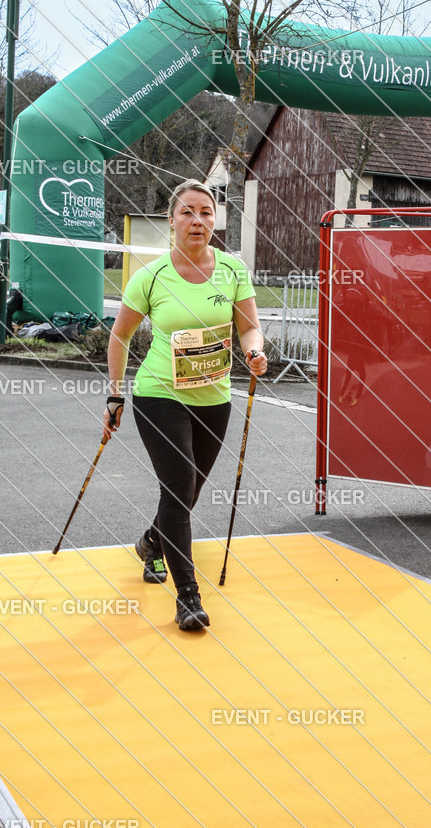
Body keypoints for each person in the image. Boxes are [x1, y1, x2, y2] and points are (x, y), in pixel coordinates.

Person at [103, 179, 267, 631]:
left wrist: (253, 350)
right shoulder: (151, 276)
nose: (198, 221)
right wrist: (115, 394)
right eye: (187, 212)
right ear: (172, 220)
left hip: (214, 397)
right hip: (160, 395)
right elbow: (119, 337)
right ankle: (188, 598)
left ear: (216, 221)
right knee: (177, 488)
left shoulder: (233, 270)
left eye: (206, 213)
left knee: (188, 492)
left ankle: (152, 542)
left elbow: (249, 328)